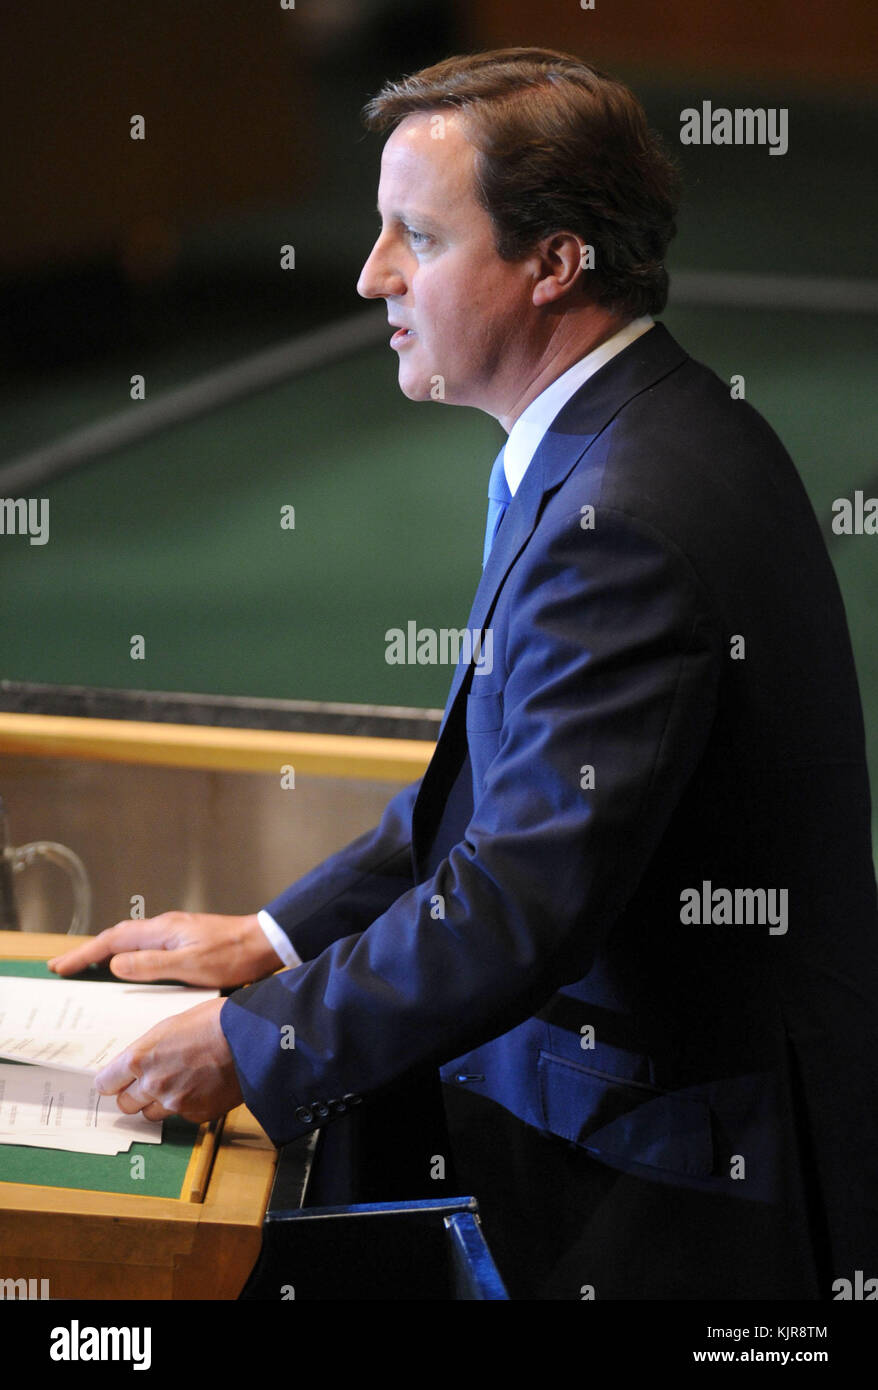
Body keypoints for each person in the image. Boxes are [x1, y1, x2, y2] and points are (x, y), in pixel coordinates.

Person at [50, 47, 878, 1300]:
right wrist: (270, 937)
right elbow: (496, 794)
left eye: (416, 238)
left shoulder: (629, 508)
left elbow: (521, 895)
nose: (370, 272)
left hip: (680, 1189)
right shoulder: (628, 431)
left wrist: (256, 1041)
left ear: (553, 265)